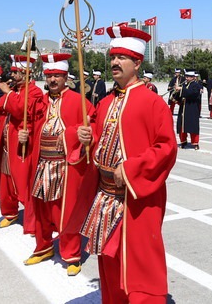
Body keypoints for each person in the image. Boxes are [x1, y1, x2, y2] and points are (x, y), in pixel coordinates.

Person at [71, 25, 177, 303]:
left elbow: (166, 148)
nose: (115, 62)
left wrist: (130, 169)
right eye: (113, 57)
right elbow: (98, 140)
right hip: (105, 196)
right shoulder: (105, 103)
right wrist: (87, 139)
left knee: (141, 263)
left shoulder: (153, 103)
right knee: (109, 261)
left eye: (122, 58)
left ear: (137, 63)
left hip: (136, 196)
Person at [21, 52, 93, 276]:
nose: (52, 80)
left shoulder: (78, 101)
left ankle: (71, 254)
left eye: (57, 76)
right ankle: (43, 247)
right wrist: (25, 135)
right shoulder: (39, 101)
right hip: (42, 162)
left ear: (65, 77)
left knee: (66, 211)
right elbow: (32, 126)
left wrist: (75, 134)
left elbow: (91, 125)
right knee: (41, 209)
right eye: (49, 76)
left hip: (65, 165)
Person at [0, 54, 45, 230]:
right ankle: (9, 212)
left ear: (27, 73)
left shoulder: (34, 91)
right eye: (13, 72)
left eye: (16, 72)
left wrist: (8, 93)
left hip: (23, 145)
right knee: (6, 182)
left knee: (24, 183)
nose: (13, 76)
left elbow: (20, 110)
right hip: (6, 144)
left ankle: (33, 221)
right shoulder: (14, 91)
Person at [174, 70, 202, 149]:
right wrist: (176, 92)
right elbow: (180, 96)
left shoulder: (196, 85)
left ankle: (195, 143)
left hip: (192, 108)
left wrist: (181, 89)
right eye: (186, 76)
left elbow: (192, 93)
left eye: (188, 77)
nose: (186, 78)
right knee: (182, 125)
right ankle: (183, 141)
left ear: (193, 77)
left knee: (193, 126)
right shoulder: (184, 84)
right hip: (183, 107)